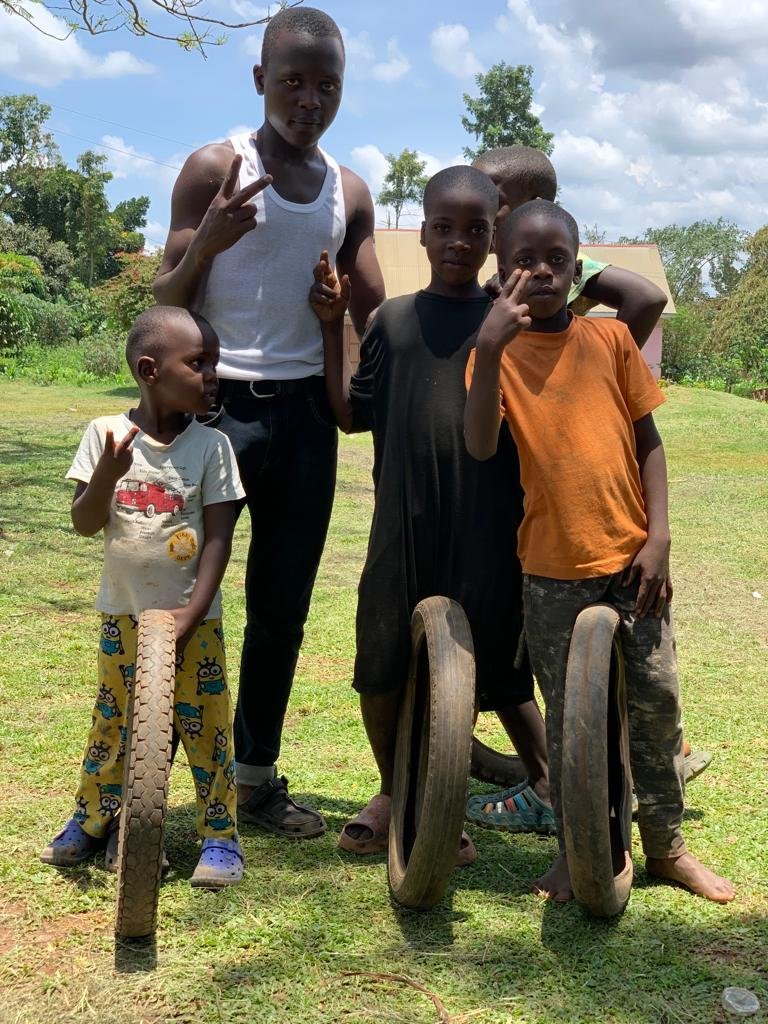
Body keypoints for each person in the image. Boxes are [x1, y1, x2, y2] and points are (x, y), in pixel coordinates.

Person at [153, 6, 385, 839]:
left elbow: (369, 312)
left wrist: (344, 338)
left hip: (300, 428)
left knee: (280, 608)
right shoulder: (216, 167)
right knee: (176, 601)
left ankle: (252, 778)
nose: (308, 100)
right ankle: (142, 783)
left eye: (327, 85)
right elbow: (163, 307)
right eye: (292, 81)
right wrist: (208, 241)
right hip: (211, 415)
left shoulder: (346, 193)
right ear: (260, 80)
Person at [464, 199, 735, 903]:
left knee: (656, 706)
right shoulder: (493, 355)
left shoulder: (610, 342)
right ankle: (582, 851)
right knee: (576, 727)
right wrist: (490, 345)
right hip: (553, 572)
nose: (543, 271)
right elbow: (481, 446)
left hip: (633, 561)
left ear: (577, 267)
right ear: (502, 270)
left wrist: (661, 536)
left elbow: (649, 440)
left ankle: (667, 847)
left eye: (558, 259)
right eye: (525, 259)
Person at [309, 165, 558, 859]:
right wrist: (335, 328)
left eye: (475, 229)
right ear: (421, 232)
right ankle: (402, 793)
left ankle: (550, 787)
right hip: (404, 523)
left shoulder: (513, 323)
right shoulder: (392, 321)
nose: (458, 241)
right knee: (382, 661)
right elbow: (349, 413)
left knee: (499, 670)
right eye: (443, 227)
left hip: (490, 526)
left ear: (494, 237)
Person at [40, 306, 246, 888]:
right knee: (114, 720)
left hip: (193, 621)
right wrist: (110, 471)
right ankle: (92, 819)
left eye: (214, 363)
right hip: (122, 618)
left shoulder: (213, 447)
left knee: (206, 728)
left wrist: (194, 611)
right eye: (198, 363)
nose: (211, 375)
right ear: (150, 369)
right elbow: (84, 522)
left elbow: (221, 538)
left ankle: (221, 836)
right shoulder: (104, 434)